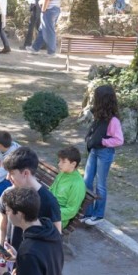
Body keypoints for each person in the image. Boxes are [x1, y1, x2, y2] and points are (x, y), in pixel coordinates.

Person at [0, 187, 64, 275]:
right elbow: (44, 261)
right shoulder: (50, 231)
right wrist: (19, 259)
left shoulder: (29, 250)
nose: (7, 214)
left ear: (20, 214)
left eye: (8, 211)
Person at [82, 84, 124, 227]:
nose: (94, 100)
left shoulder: (113, 121)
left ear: (103, 100)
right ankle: (87, 212)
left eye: (96, 98)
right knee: (86, 181)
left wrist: (103, 141)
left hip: (104, 153)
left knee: (100, 184)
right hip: (94, 151)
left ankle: (98, 214)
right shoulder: (98, 115)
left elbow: (119, 140)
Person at [52, 147, 87, 227]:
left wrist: (49, 212)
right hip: (48, 210)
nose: (59, 164)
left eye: (63, 162)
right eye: (59, 161)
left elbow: (71, 210)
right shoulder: (63, 173)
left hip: (58, 220)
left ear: (73, 164)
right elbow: (51, 190)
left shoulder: (77, 184)